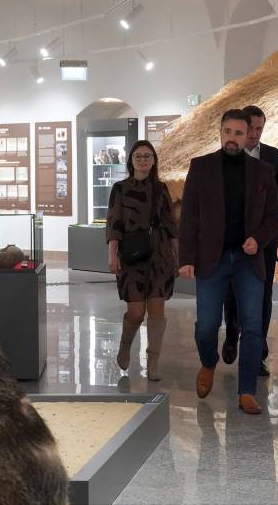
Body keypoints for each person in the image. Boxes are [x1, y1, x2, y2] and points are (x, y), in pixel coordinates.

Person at [178, 109, 278, 415]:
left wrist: (258, 239)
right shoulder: (201, 167)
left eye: (238, 133)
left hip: (249, 259)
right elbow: (189, 216)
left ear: (249, 135)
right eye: (227, 132)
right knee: (206, 326)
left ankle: (246, 391)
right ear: (220, 132)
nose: (232, 138)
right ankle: (209, 361)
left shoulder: (263, 171)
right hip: (213, 258)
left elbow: (273, 216)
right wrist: (186, 258)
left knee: (253, 325)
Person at [221, 105, 278, 376]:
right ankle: (232, 333)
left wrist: (272, 220)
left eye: (260, 128)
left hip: (265, 237)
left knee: (263, 293)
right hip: (233, 236)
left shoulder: (272, 156)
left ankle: (258, 351)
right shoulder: (227, 155)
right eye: (252, 128)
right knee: (232, 289)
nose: (255, 133)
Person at [106, 140, 179, 381]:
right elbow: (114, 223)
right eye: (138, 156)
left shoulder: (161, 188)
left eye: (148, 156)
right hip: (132, 255)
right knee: (136, 312)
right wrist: (112, 254)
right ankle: (126, 344)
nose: (143, 160)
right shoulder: (120, 188)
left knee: (157, 310)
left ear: (154, 160)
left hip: (159, 254)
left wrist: (176, 255)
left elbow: (170, 224)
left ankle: (153, 361)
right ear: (131, 160)